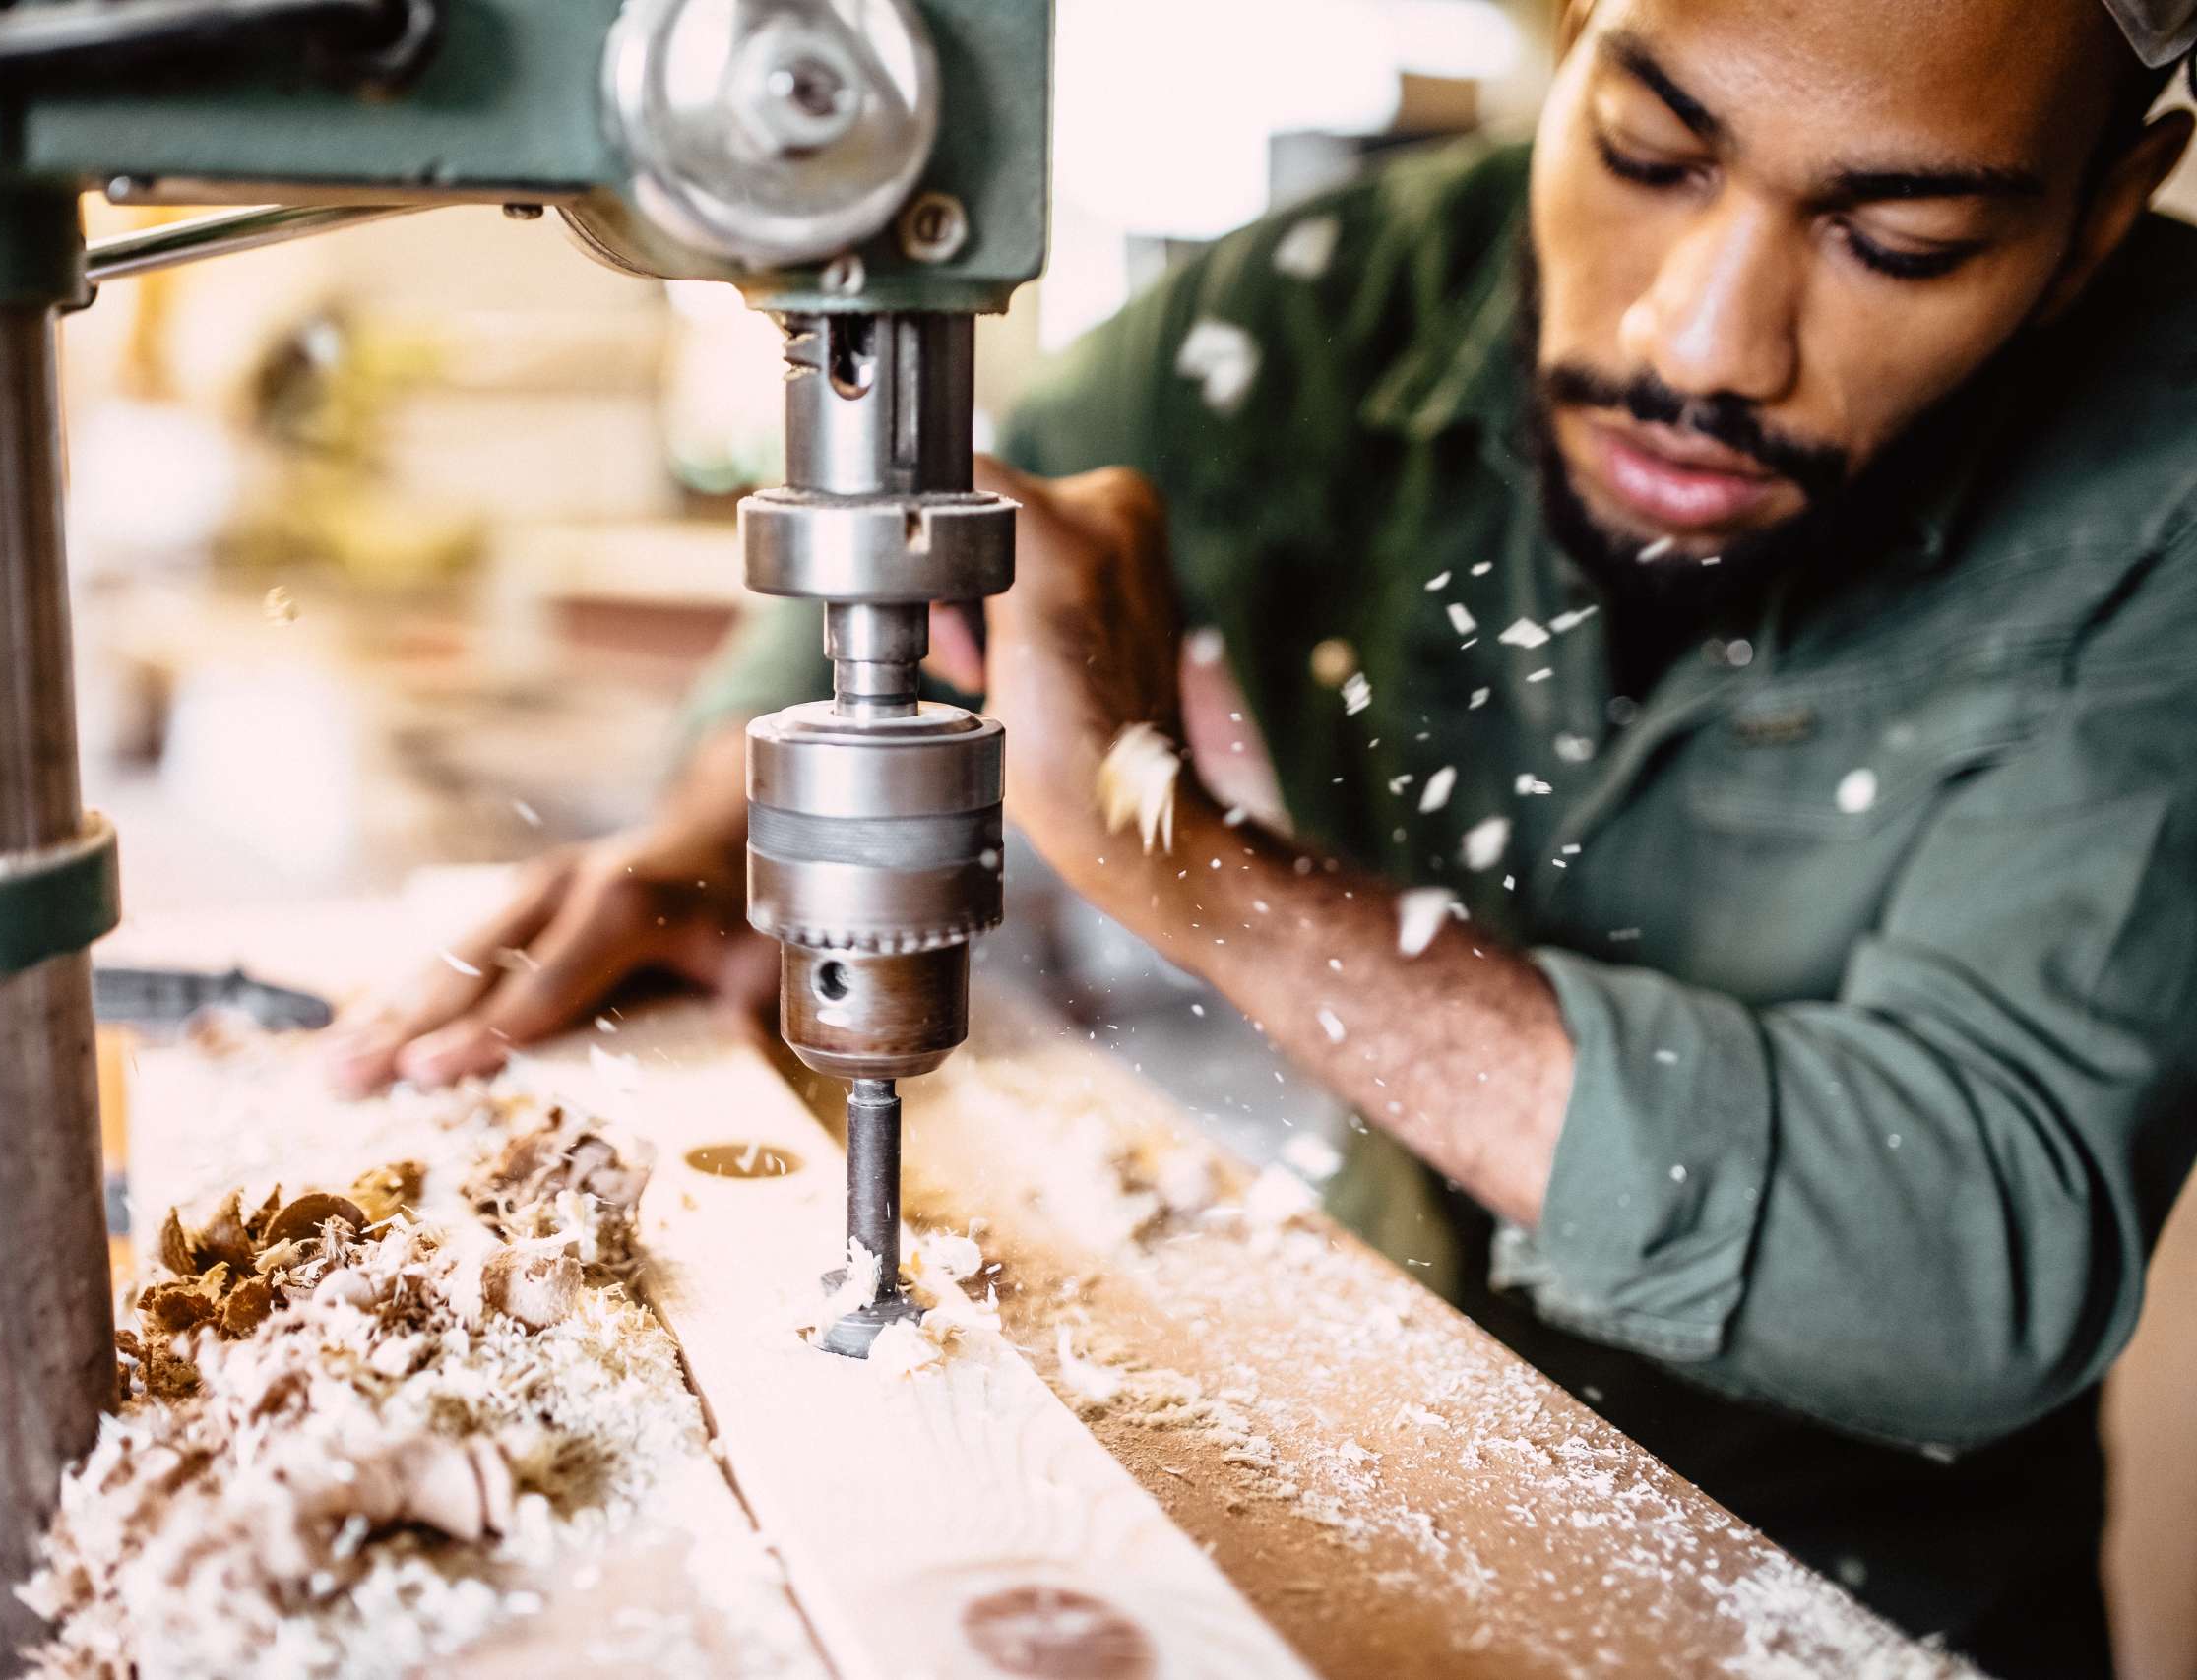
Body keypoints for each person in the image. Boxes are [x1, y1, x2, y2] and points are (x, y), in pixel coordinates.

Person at [325, 0, 2197, 1669]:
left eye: (1899, 240)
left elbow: (1974, 1247)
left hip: (1840, 1610)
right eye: (1648, 152)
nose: (1702, 338)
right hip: (1355, 1480)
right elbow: (898, 576)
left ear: (2110, 205)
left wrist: (1178, 858)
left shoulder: (2167, 476)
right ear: (1566, 38)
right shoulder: (1324, 312)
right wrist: (708, 845)